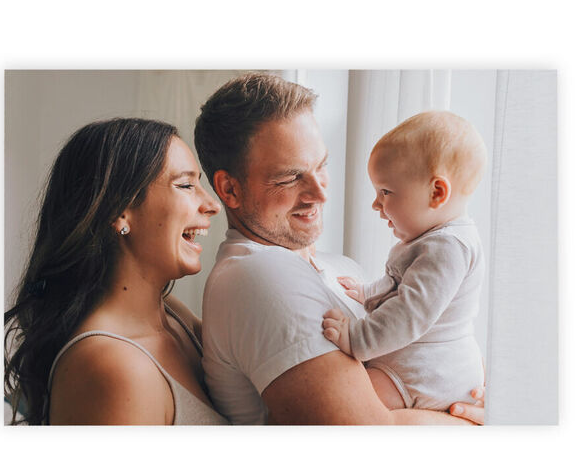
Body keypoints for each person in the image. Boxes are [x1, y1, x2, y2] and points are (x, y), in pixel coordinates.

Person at [193, 73, 486, 425]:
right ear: (230, 189)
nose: (320, 193)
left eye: (321, 166)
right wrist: (478, 425)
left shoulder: (338, 269)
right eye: (290, 177)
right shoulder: (260, 276)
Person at [3, 118, 228, 425]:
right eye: (186, 185)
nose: (213, 205)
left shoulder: (173, 317)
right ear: (120, 211)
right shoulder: (114, 367)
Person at [320, 110, 487, 410]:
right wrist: (367, 292)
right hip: (419, 364)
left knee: (350, 409)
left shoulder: (448, 247)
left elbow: (411, 312)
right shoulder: (434, 239)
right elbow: (402, 286)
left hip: (426, 372)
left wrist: (355, 337)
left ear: (437, 192)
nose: (376, 204)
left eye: (385, 192)